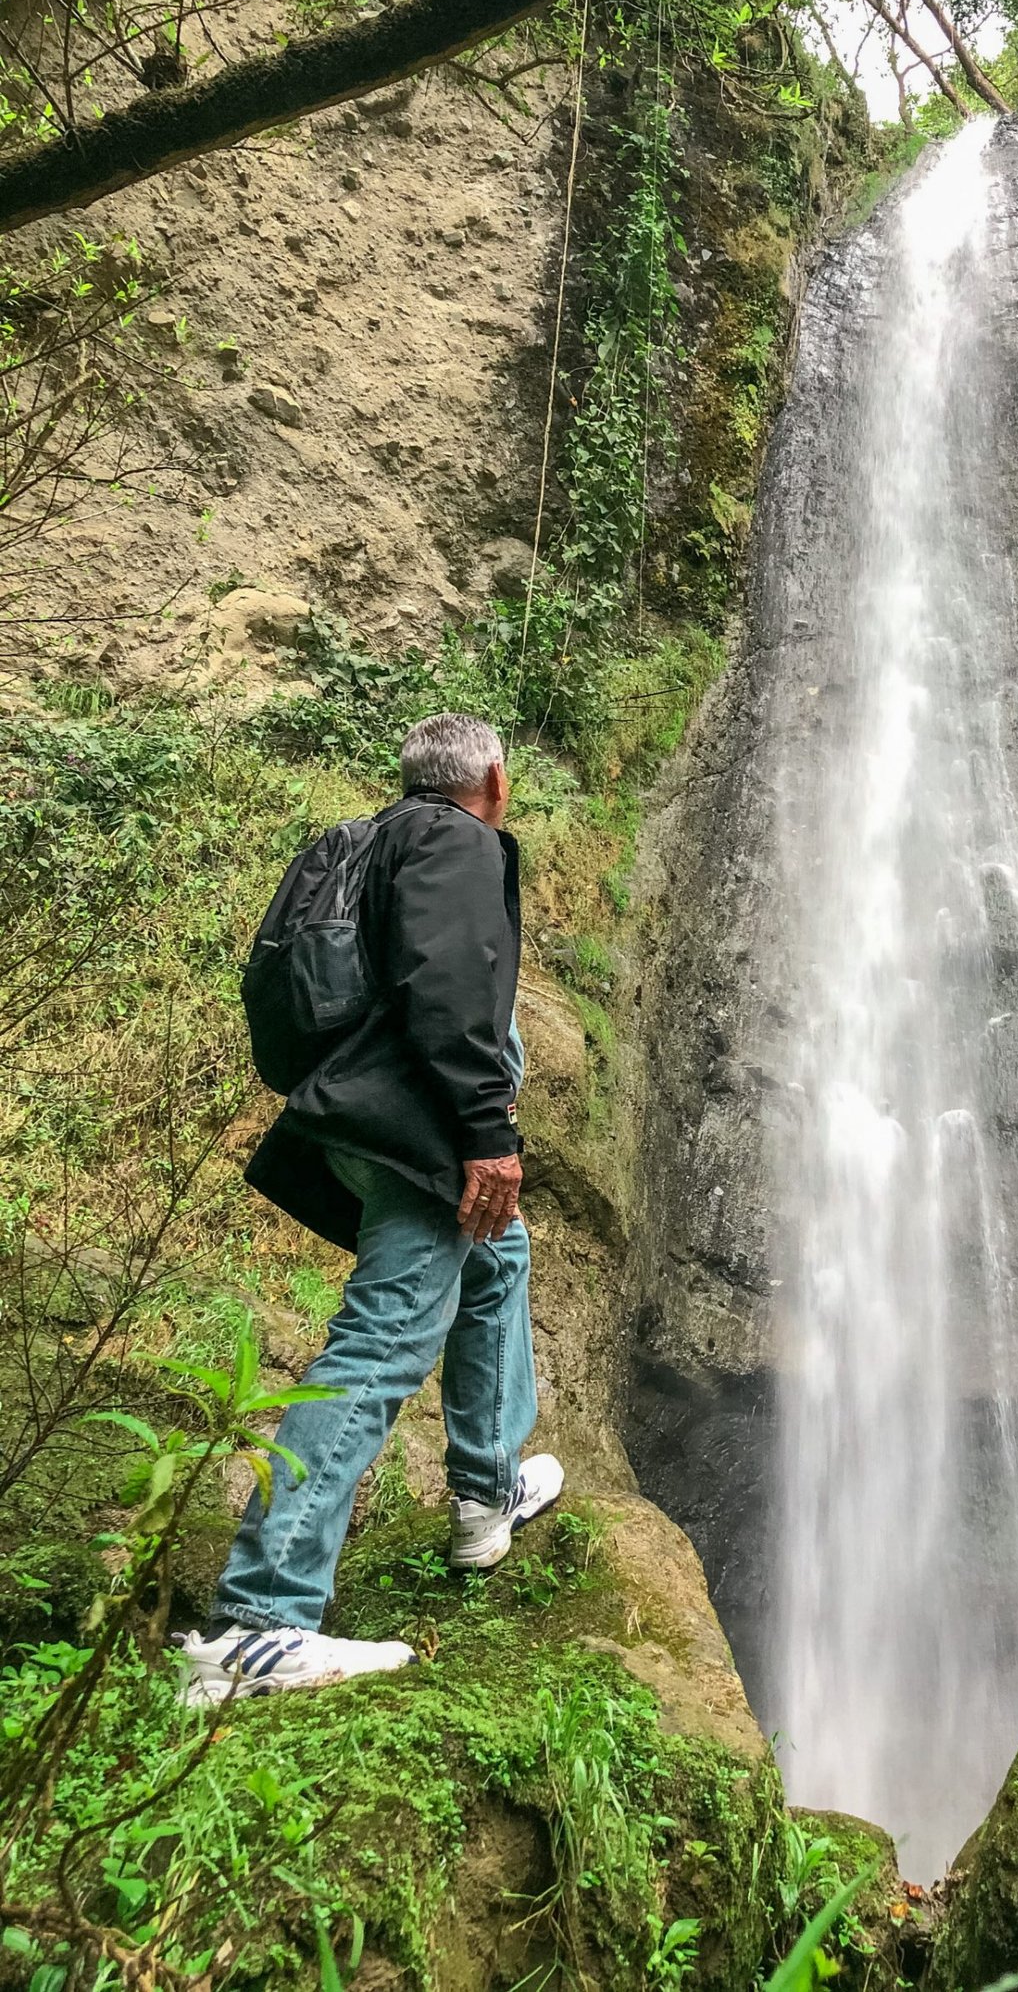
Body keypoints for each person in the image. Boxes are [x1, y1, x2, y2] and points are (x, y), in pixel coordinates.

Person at [180, 714, 563, 1704]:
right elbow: (449, 982)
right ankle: (258, 1620)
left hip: (354, 1117)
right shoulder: (457, 840)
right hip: (415, 1132)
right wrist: (484, 1129)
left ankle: (485, 1496)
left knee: (498, 1259)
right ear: (494, 779)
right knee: (384, 1339)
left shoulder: (356, 842)